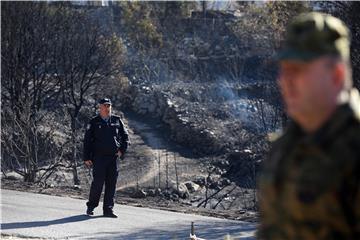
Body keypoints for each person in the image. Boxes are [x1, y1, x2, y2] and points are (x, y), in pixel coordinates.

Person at [258, 12, 360, 239]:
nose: (284, 80)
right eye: (283, 69)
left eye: (297, 69)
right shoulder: (284, 148)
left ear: (337, 74)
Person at [83, 98, 129, 218]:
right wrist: (86, 157)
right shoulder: (94, 122)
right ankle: (91, 206)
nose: (107, 108)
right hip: (99, 158)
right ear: (100, 108)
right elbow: (87, 141)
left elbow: (125, 137)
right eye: (105, 106)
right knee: (97, 183)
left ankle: (108, 209)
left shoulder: (117, 120)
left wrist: (121, 151)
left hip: (113, 158)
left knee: (111, 184)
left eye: (109, 105)